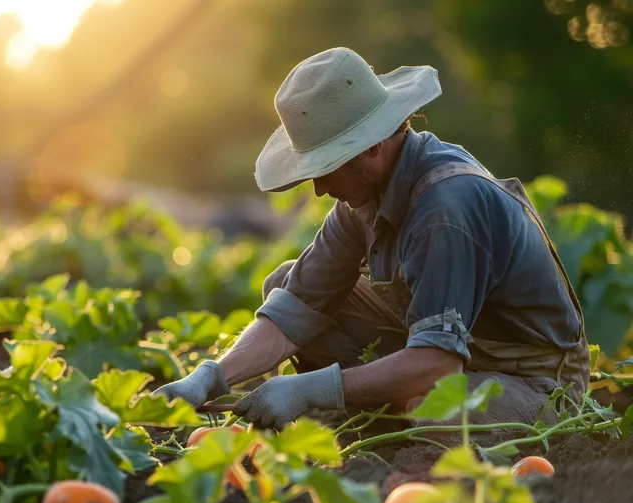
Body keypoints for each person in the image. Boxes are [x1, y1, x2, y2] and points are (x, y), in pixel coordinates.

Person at [153, 47, 590, 429]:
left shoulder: (445, 208)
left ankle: (393, 419)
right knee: (284, 283)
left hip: (535, 378)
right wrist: (212, 375)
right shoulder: (362, 199)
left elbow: (438, 361)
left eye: (326, 169)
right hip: (461, 352)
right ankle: (379, 414)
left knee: (434, 411)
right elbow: (295, 308)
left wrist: (311, 389)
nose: (320, 189)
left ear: (372, 146)